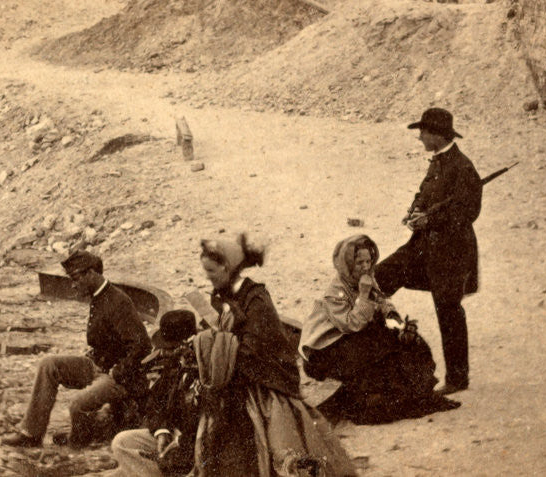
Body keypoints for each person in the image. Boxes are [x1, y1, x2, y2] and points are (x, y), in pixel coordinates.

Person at [192, 234, 356, 476]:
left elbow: (255, 349)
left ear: (227, 268)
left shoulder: (257, 299)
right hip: (237, 377)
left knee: (273, 448)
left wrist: (218, 346)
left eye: (211, 271)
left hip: (265, 384)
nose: (207, 276)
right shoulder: (221, 294)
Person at [374, 107, 482, 395]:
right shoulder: (438, 161)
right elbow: (425, 194)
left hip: (451, 251)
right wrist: (415, 210)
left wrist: (430, 220)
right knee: (378, 279)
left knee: (448, 311)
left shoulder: (463, 167)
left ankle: (457, 379)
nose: (419, 137)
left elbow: (467, 212)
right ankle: (377, 355)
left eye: (422, 132)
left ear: (437, 135)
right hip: (423, 246)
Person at [1, 251, 151, 449]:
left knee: (77, 404)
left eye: (75, 278)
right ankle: (31, 434)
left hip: (119, 378)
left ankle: (78, 445)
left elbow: (142, 345)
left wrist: (118, 370)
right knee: (49, 365)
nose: (73, 285)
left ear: (91, 273)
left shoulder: (118, 301)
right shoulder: (99, 296)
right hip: (98, 366)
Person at [300, 234, 443, 423]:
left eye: (368, 261)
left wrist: (395, 320)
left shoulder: (366, 278)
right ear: (347, 264)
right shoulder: (334, 293)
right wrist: (365, 294)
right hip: (326, 349)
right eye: (359, 262)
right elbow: (352, 324)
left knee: (406, 342)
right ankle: (373, 401)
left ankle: (413, 393)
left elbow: (382, 301)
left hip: (352, 337)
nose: (366, 267)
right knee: (377, 350)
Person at [107, 309, 201, 476]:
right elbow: (156, 403)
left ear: (187, 343)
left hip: (193, 443)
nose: (166, 352)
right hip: (172, 433)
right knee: (121, 442)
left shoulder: (205, 369)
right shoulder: (172, 364)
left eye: (171, 347)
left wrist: (179, 443)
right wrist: (161, 431)